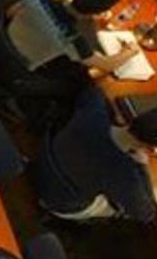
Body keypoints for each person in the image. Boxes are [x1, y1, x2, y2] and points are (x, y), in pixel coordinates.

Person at [39, 86, 157, 223]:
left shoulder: (95, 112)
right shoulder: (123, 173)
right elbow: (146, 213)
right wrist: (141, 166)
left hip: (43, 160)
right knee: (119, 208)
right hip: (60, 202)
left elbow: (92, 91)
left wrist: (114, 116)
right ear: (151, 147)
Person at [2, 0, 135, 97]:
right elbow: (108, 65)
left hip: (3, 39)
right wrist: (131, 51)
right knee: (79, 82)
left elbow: (10, 12)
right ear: (98, 13)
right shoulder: (73, 39)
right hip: (18, 67)